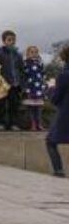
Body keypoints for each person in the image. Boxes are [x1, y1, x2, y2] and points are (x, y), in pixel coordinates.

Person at [45, 43, 69, 178]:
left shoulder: (64, 75)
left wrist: (50, 88)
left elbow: (55, 98)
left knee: (50, 141)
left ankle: (59, 170)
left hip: (65, 114)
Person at [0, 30, 24, 131]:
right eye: (9, 40)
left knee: (14, 105)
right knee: (1, 105)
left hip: (15, 83)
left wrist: (21, 82)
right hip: (2, 83)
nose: (12, 42)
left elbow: (21, 69)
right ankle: (0, 123)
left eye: (13, 40)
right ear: (4, 41)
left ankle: (13, 123)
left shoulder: (18, 55)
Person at [23, 45, 47, 132]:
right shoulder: (25, 63)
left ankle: (39, 124)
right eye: (32, 52)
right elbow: (23, 75)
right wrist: (25, 87)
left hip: (39, 89)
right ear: (27, 54)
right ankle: (33, 124)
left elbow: (43, 74)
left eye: (36, 52)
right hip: (30, 88)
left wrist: (44, 83)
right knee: (31, 107)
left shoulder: (40, 63)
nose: (34, 54)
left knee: (39, 107)